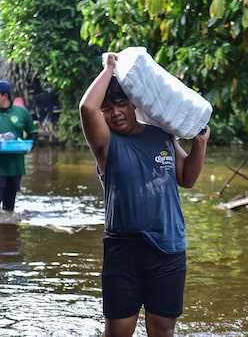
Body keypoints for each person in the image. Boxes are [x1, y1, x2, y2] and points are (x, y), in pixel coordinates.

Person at [79, 53, 210, 337]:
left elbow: (187, 178)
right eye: (107, 108)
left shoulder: (161, 135)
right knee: (118, 331)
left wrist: (199, 144)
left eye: (121, 104)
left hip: (168, 246)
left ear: (134, 104)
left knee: (163, 329)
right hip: (123, 248)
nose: (115, 113)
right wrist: (109, 68)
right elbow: (87, 107)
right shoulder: (106, 144)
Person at [0, 79, 38, 213]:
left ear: (5, 96)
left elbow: (33, 133)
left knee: (9, 206)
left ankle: (8, 226)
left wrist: (29, 147)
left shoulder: (21, 113)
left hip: (15, 166)